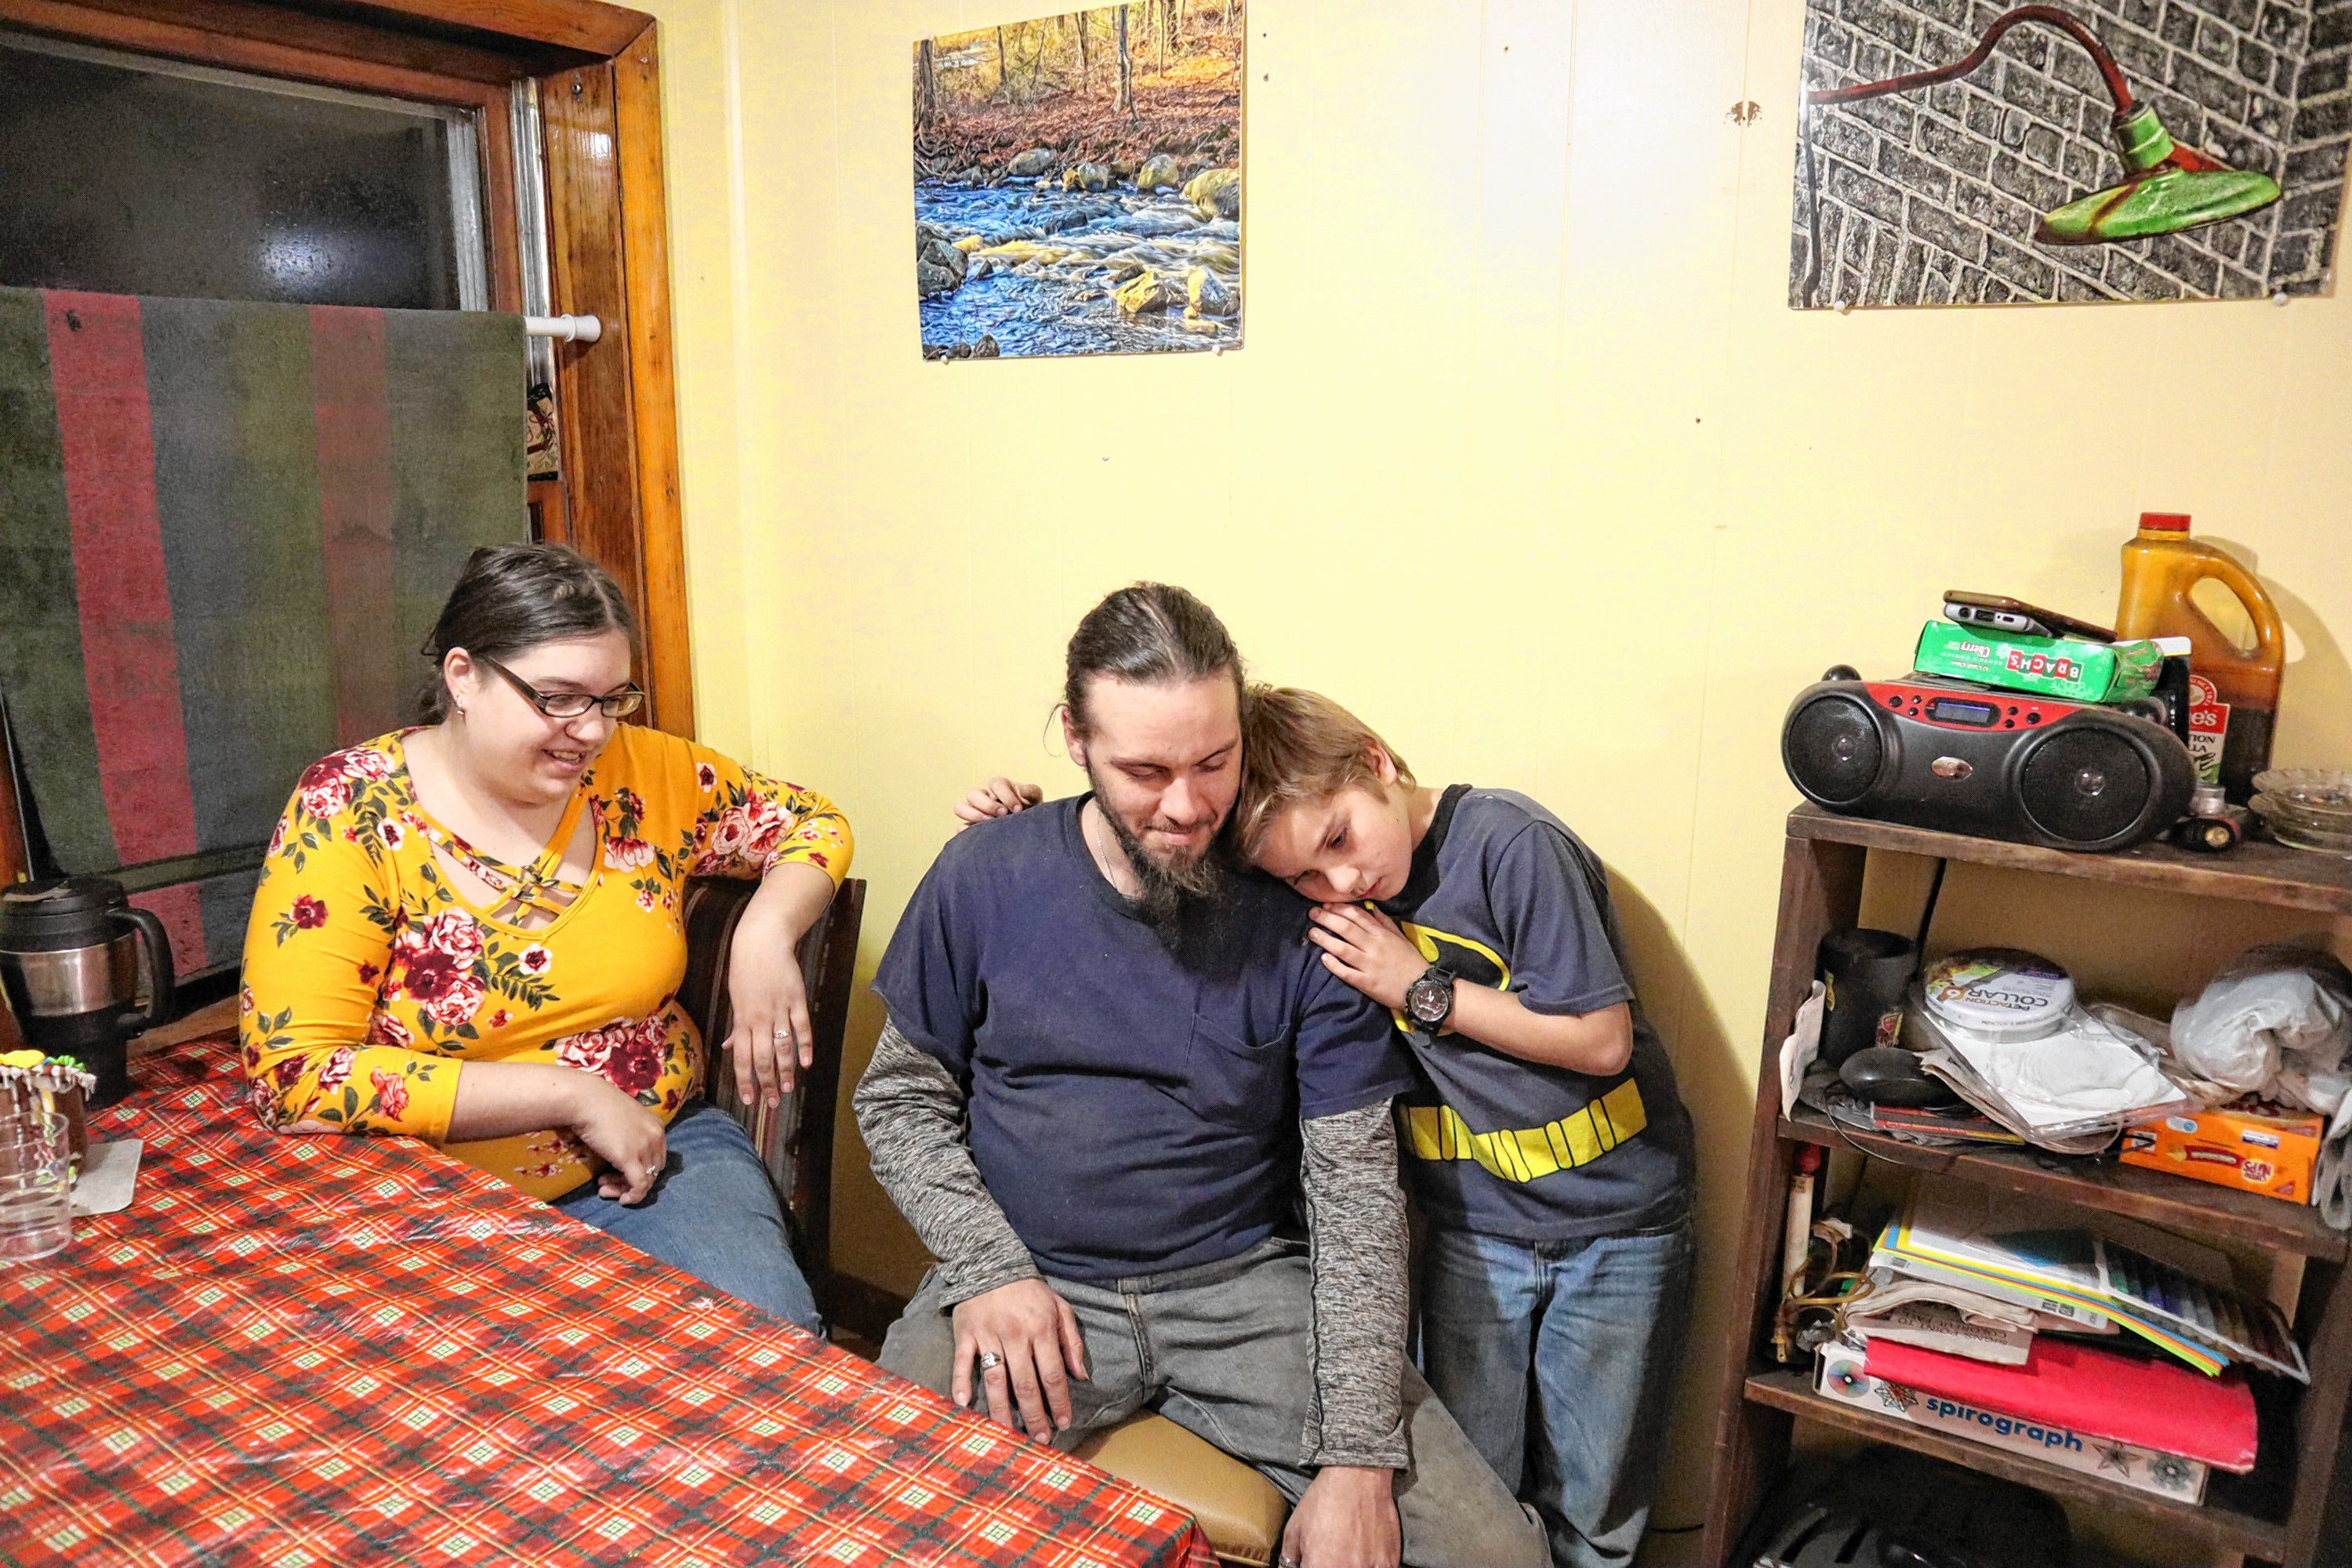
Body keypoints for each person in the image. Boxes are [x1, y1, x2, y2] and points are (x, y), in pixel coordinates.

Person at [857, 584, 1547, 1568]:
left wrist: (1355, 1457)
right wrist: (989, 1268)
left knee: (1498, 1558)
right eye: (1145, 769)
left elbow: (1354, 1192)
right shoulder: (985, 874)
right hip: (1035, 1278)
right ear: (1075, 738)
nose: (1186, 806)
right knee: (869, 1498)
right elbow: (898, 1099)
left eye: (1213, 763)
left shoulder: (1304, 907)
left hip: (1244, 1293)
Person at [957, 687, 1696, 1568]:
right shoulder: (1306, 901)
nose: (1341, 883)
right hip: (1471, 1226)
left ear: (1376, 761)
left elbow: (1602, 1039)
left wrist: (1418, 988)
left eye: (1341, 840)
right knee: (1487, 1483)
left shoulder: (1509, 844)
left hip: (1616, 1221)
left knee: (1593, 1495)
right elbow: (1156, 811)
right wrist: (1022, 822)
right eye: (1303, 876)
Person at [240, 543, 850, 1334]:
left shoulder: (642, 771)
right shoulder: (350, 807)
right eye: (557, 698)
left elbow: (813, 823)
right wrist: (568, 1092)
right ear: (464, 676)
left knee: (771, 1357)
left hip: (655, 1158)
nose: (590, 731)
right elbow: (296, 1073)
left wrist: (764, 933)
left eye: (611, 698)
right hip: (424, 1188)